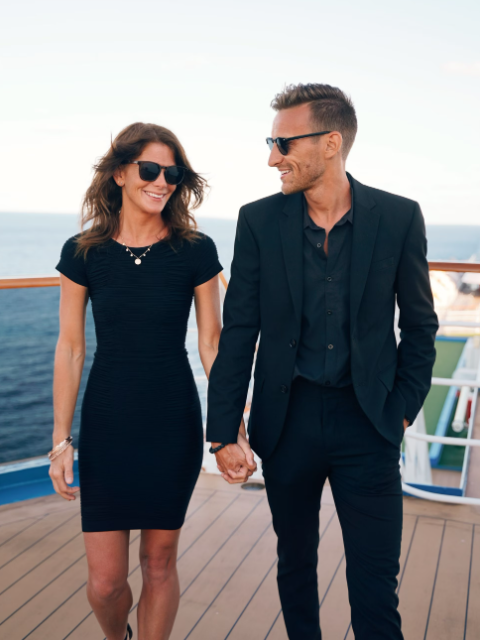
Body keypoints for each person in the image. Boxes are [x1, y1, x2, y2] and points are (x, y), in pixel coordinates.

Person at [206, 84, 438, 640]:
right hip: (288, 423)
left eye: (283, 143)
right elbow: (240, 332)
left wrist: (401, 409)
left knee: (376, 581)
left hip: (370, 421)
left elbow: (421, 325)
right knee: (295, 566)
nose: (272, 158)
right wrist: (222, 433)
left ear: (331, 142)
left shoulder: (399, 217)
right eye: (271, 141)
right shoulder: (259, 221)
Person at [49, 123, 224, 640]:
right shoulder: (84, 252)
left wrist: (231, 421)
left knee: (158, 562)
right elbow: (71, 347)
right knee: (105, 583)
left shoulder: (196, 250)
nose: (162, 181)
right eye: (150, 169)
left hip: (172, 420)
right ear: (122, 173)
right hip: (108, 422)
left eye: (172, 173)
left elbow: (212, 344)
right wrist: (61, 440)